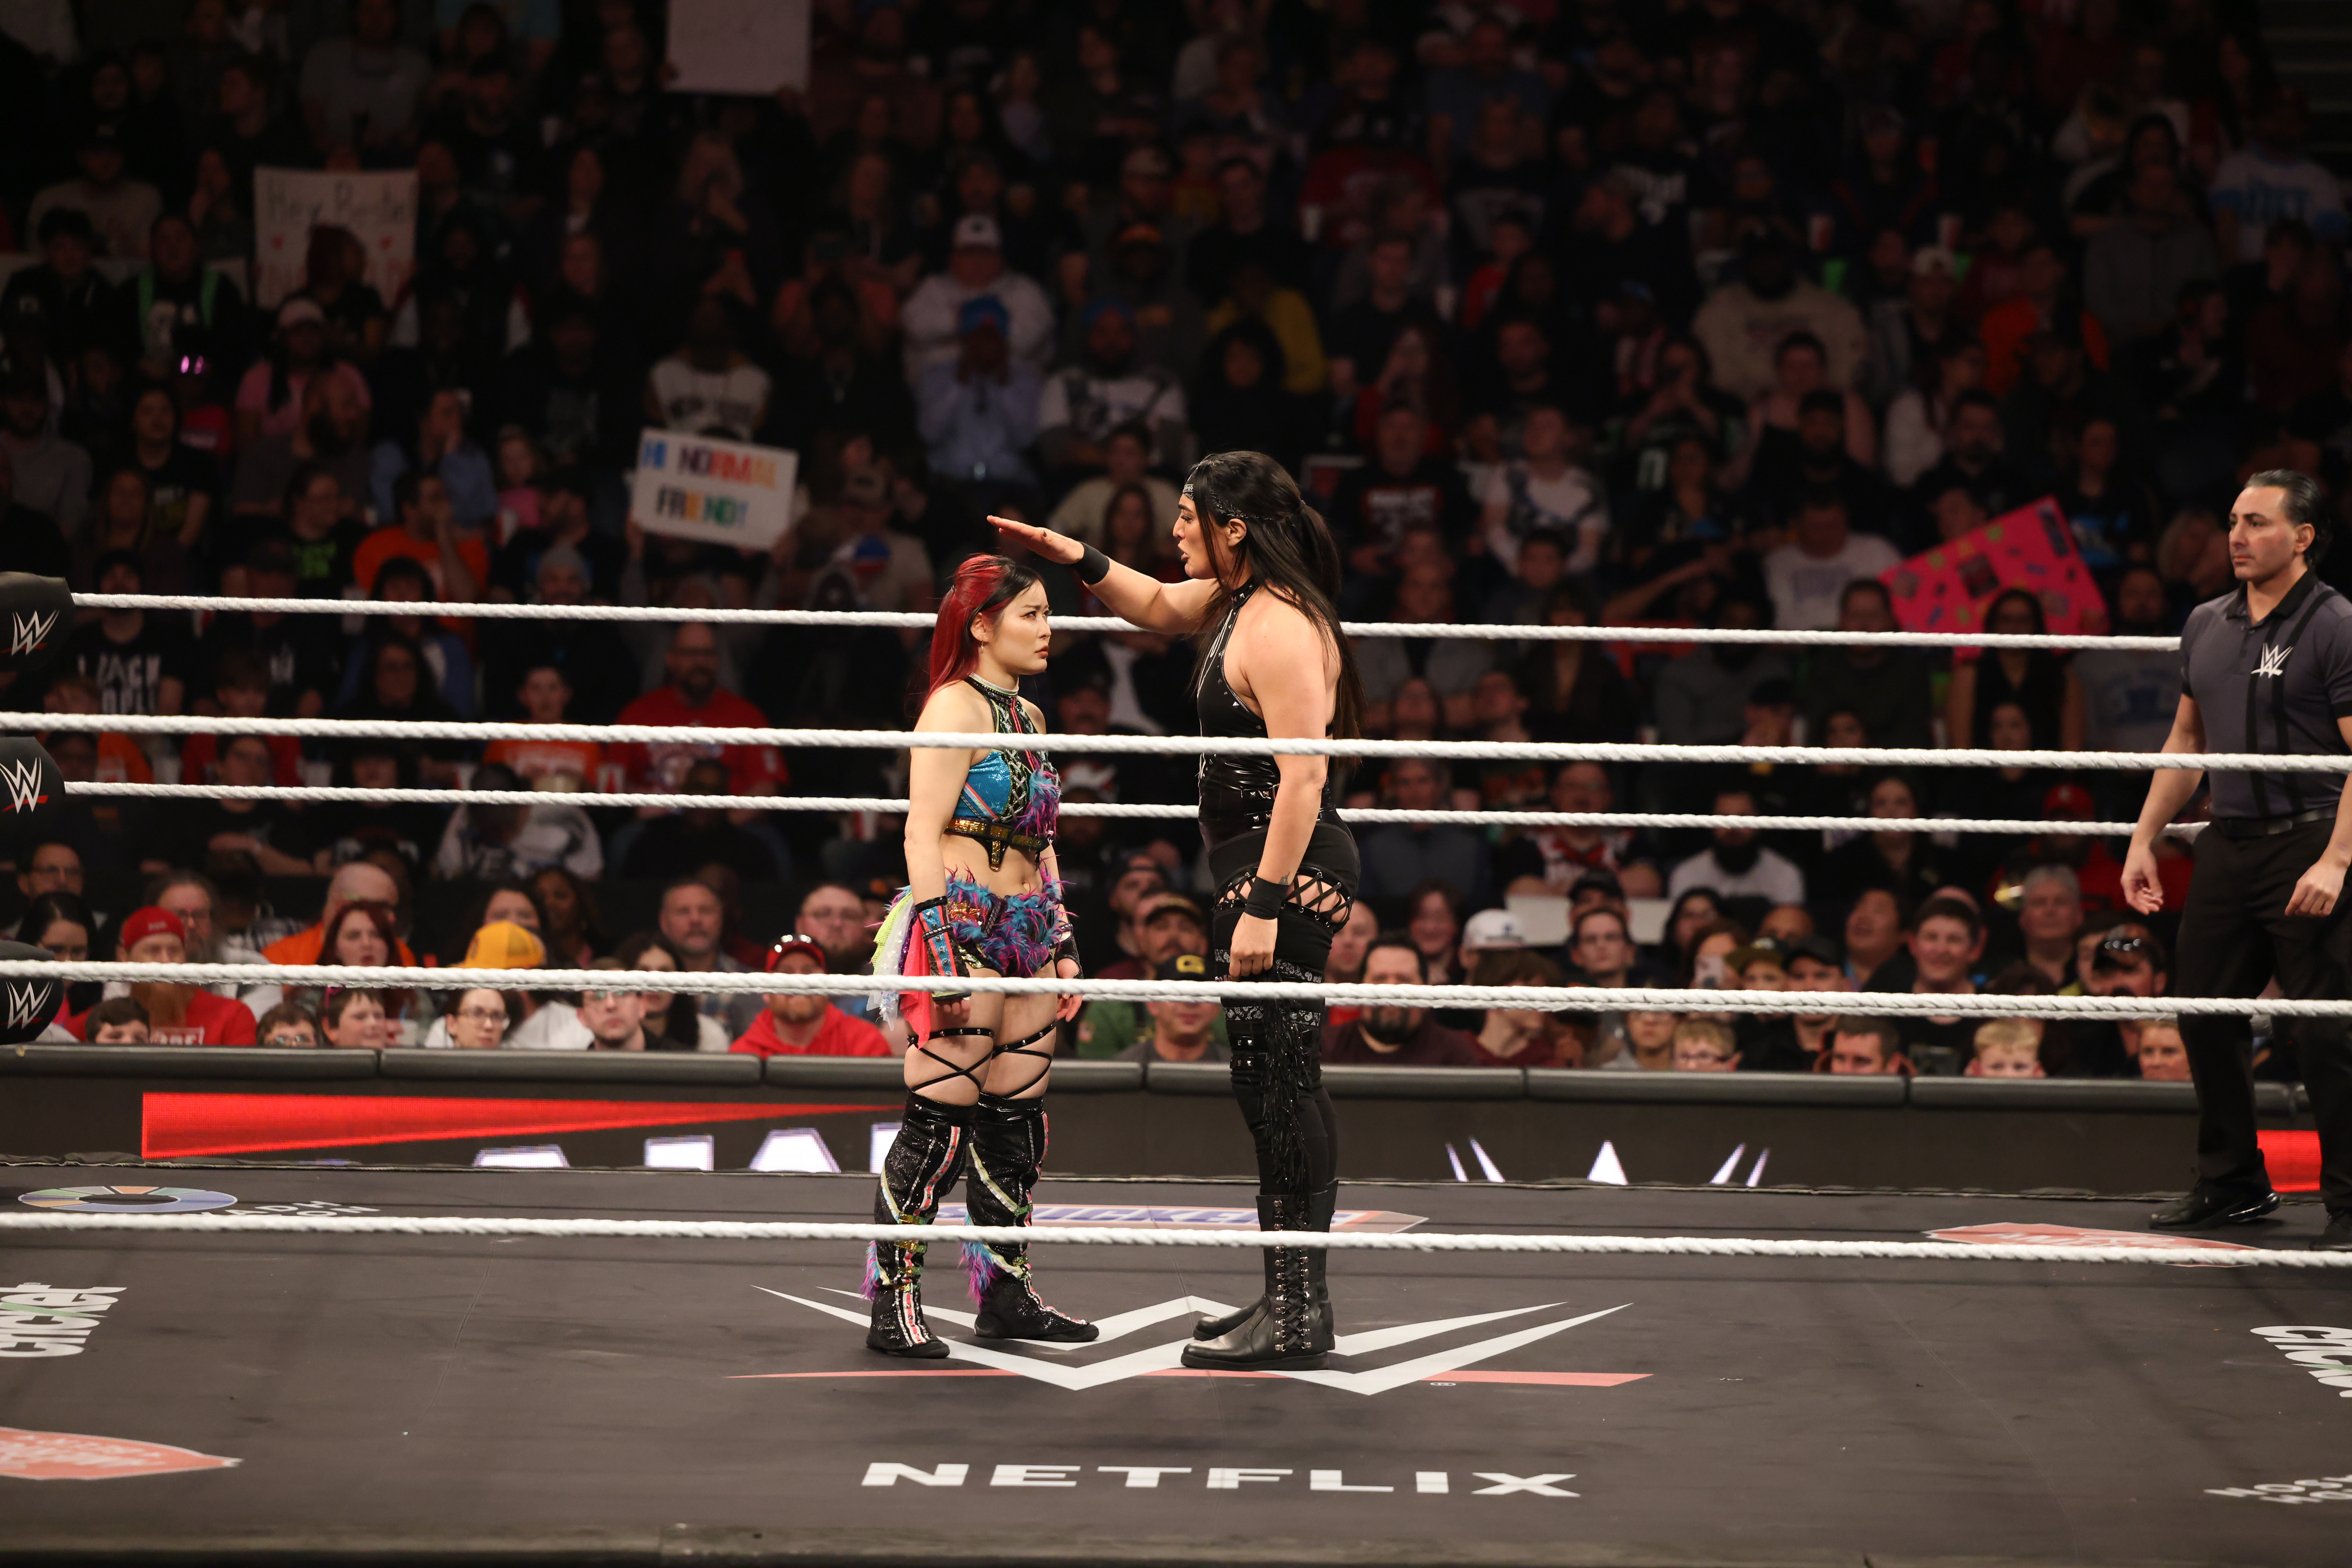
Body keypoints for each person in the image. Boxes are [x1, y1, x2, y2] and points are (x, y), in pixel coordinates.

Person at [995, 448, 1362, 1371]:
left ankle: (1298, 1308)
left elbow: (1305, 778)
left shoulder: (1279, 623)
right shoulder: (1240, 600)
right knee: (1270, 1081)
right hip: (1259, 867)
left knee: (1280, 1083)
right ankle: (1293, 1298)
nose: (1174, 531)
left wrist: (1265, 905)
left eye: (1189, 518)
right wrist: (1074, 554)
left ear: (1234, 528)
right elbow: (1157, 603)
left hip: (1284, 871)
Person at [863, 554, 1090, 1357]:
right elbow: (919, 833)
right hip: (961, 922)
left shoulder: (1029, 716)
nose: (1048, 629)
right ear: (983, 625)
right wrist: (942, 951)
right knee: (939, 1125)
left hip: (1027, 929)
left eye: (1049, 614)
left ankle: (1005, 1292)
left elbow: (1043, 839)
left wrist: (1064, 942)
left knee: (1016, 1127)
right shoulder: (952, 706)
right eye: (1032, 614)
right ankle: (893, 1301)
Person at [2122, 470, 2352, 1248]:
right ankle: (2232, 1183)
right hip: (2229, 839)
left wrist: (2337, 861)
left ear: (2303, 537)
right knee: (2204, 1009)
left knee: (2327, 1032)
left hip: (2313, 838)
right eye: (2233, 521)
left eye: (2257, 522)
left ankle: (2351, 1200)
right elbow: (2187, 739)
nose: (2237, 537)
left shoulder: (2336, 624)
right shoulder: (2206, 622)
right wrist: (2145, 837)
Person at [730, 934, 892, 1058]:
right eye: (786, 972)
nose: (799, 981)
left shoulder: (864, 1041)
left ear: (828, 985)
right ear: (766, 992)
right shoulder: (744, 1053)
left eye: (809, 971)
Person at [1115, 954, 1232, 1064]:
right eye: (1177, 993)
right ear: (1152, 1004)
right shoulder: (1123, 1069)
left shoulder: (1233, 1071)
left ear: (1217, 1006)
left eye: (1201, 994)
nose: (1190, 1002)